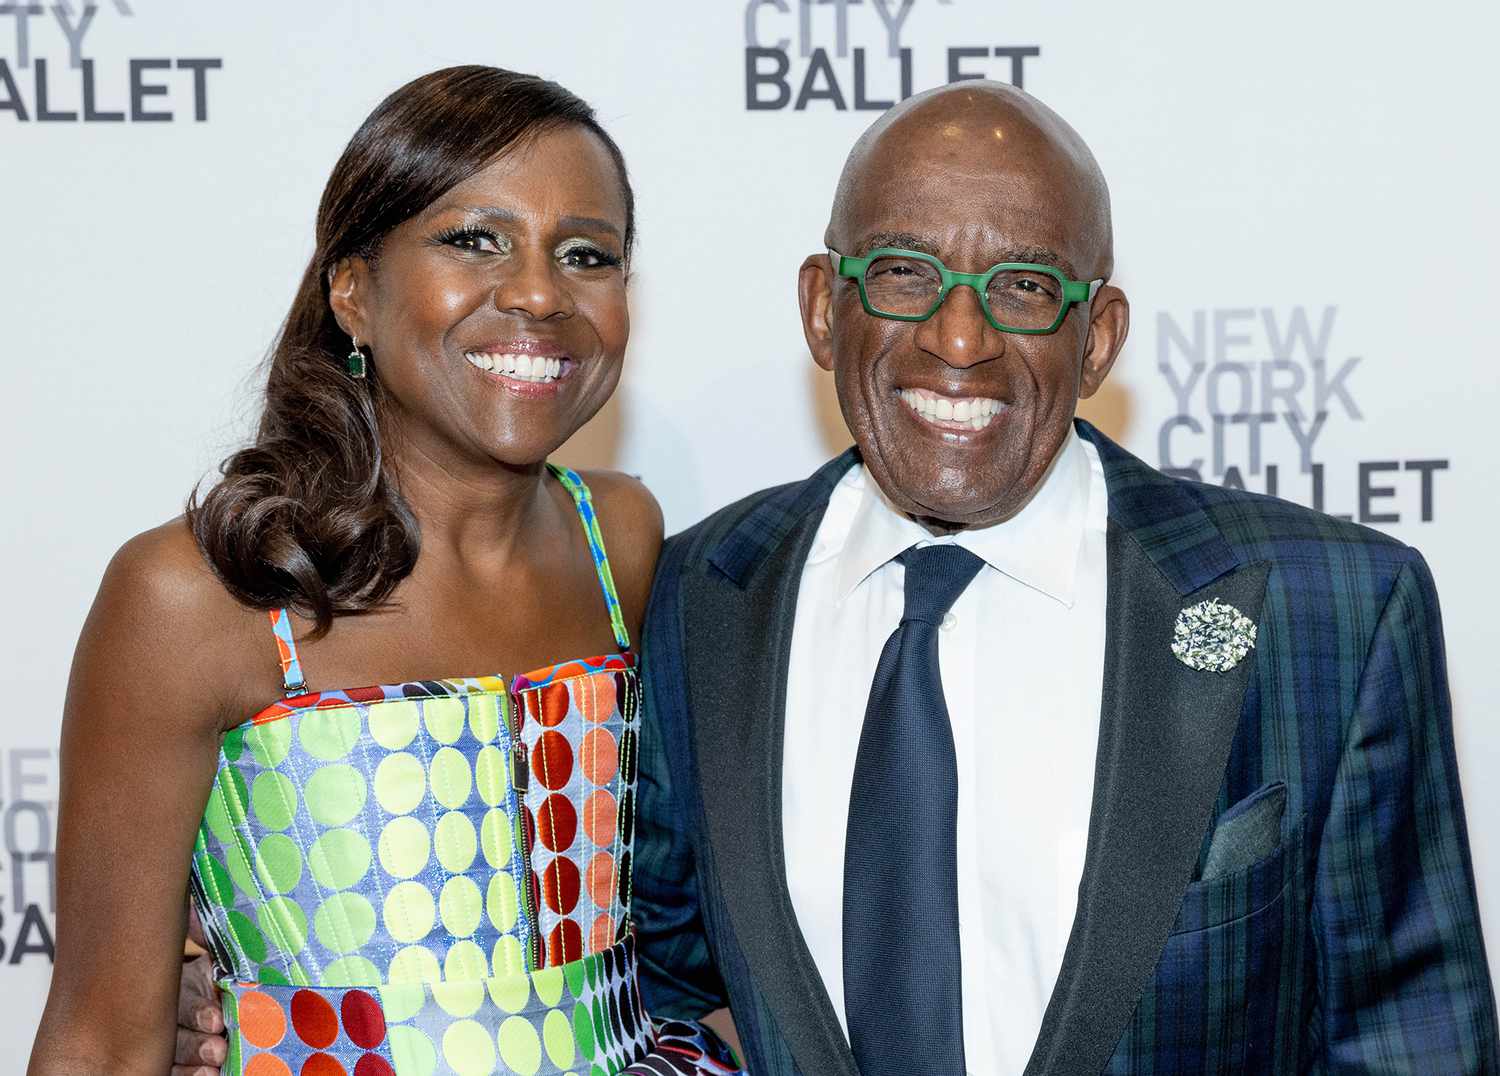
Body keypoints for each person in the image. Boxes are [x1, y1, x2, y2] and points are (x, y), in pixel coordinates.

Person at [627, 82, 1500, 1074]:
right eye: (905, 273)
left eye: (1025, 286)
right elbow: (669, 992)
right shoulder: (700, 596)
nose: (962, 340)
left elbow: (1414, 1042)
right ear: (824, 310)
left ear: (1101, 337)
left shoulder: (1334, 612)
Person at [29, 66, 740, 1076]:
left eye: (587, 254)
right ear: (353, 292)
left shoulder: (618, 537)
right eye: (474, 240)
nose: (538, 292)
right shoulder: (198, 598)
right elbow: (102, 1038)